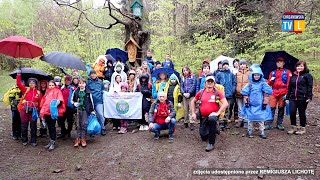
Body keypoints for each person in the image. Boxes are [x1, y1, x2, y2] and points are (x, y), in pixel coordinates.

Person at [191, 76, 228, 152]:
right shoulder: (201, 92)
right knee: (203, 136)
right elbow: (193, 101)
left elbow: (225, 103)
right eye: (208, 81)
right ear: (205, 83)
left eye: (211, 81)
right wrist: (193, 113)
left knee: (212, 120)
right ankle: (214, 128)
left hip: (213, 116)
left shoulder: (217, 93)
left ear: (214, 83)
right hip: (203, 116)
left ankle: (211, 143)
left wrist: (217, 113)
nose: (210, 83)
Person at [241, 64, 272, 139]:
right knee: (250, 119)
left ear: (261, 76)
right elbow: (245, 94)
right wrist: (246, 102)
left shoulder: (263, 84)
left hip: (260, 105)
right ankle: (249, 131)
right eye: (255, 75)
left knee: (261, 119)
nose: (256, 76)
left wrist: (265, 103)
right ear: (252, 75)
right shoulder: (250, 84)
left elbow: (266, 94)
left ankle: (262, 132)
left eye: (258, 75)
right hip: (251, 105)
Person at [286, 61, 313, 135]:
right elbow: (290, 87)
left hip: (303, 97)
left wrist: (309, 96)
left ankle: (302, 128)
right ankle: (293, 127)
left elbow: (310, 86)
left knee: (301, 112)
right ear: (296, 67)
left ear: (304, 67)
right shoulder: (293, 76)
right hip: (293, 97)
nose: (299, 67)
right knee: (292, 111)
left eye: (301, 66)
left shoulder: (307, 75)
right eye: (298, 66)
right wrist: (287, 97)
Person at [266, 57, 292, 130]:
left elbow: (289, 84)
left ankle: (279, 124)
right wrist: (271, 80)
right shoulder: (272, 72)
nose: (279, 63)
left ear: (284, 63)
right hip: (273, 92)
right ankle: (269, 124)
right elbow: (269, 83)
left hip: (283, 92)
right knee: (271, 108)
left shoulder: (287, 72)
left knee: (281, 108)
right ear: (276, 63)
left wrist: (287, 94)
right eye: (278, 62)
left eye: (281, 62)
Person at [16, 73, 42, 146]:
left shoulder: (38, 92)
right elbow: (18, 84)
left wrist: (40, 112)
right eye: (30, 83)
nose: (31, 84)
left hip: (34, 110)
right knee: (24, 125)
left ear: (36, 84)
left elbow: (40, 103)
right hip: (24, 110)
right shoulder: (25, 90)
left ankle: (33, 141)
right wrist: (18, 75)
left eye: (33, 83)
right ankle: (24, 140)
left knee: (33, 126)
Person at [40, 80, 66, 151]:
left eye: (52, 85)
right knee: (49, 127)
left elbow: (60, 101)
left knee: (52, 127)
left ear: (55, 85)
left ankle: (53, 142)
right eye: (50, 85)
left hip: (52, 112)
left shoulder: (57, 91)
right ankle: (51, 141)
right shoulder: (47, 92)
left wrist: (56, 104)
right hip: (46, 112)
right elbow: (44, 101)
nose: (51, 86)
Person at [72, 78, 95, 147]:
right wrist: (74, 103)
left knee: (84, 124)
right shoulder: (76, 92)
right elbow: (72, 100)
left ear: (85, 84)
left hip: (85, 110)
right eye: (80, 83)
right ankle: (77, 138)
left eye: (83, 83)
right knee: (78, 124)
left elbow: (91, 102)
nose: (81, 85)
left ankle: (83, 138)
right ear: (78, 84)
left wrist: (92, 110)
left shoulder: (88, 92)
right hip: (78, 110)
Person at [215, 59, 236, 129]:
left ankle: (226, 122)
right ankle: (221, 122)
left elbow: (234, 83)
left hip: (229, 94)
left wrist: (232, 90)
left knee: (228, 108)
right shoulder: (219, 74)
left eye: (226, 64)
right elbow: (216, 84)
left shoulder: (231, 74)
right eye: (224, 64)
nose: (225, 66)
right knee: (222, 108)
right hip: (221, 94)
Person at [86, 70, 106, 135]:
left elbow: (103, 90)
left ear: (96, 74)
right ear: (90, 75)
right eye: (91, 74)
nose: (93, 75)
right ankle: (91, 129)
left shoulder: (100, 82)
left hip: (99, 101)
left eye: (94, 74)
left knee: (100, 114)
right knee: (90, 115)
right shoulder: (87, 82)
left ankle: (102, 128)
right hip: (90, 102)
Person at [235, 60, 250, 128]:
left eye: (244, 64)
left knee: (246, 107)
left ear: (246, 65)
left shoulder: (250, 73)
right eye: (241, 64)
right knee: (240, 108)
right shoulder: (237, 73)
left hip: (247, 94)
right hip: (238, 93)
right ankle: (240, 120)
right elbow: (235, 83)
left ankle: (246, 121)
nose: (242, 65)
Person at [180, 66, 197, 130]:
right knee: (185, 109)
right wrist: (183, 92)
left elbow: (194, 85)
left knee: (191, 108)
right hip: (184, 95)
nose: (185, 72)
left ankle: (192, 123)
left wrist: (189, 92)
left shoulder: (193, 77)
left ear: (189, 70)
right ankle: (185, 122)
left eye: (186, 70)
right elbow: (181, 86)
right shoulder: (183, 78)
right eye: (184, 71)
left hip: (191, 95)